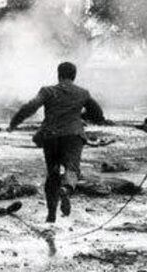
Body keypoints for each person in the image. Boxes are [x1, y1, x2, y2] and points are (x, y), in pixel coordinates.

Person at [7, 62, 105, 223]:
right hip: (73, 136)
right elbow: (98, 114)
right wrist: (82, 117)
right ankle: (66, 189)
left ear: (58, 75)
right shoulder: (82, 93)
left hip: (50, 136)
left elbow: (31, 106)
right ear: (74, 76)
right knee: (72, 168)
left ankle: (51, 213)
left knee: (52, 173)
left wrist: (14, 122)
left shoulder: (48, 91)